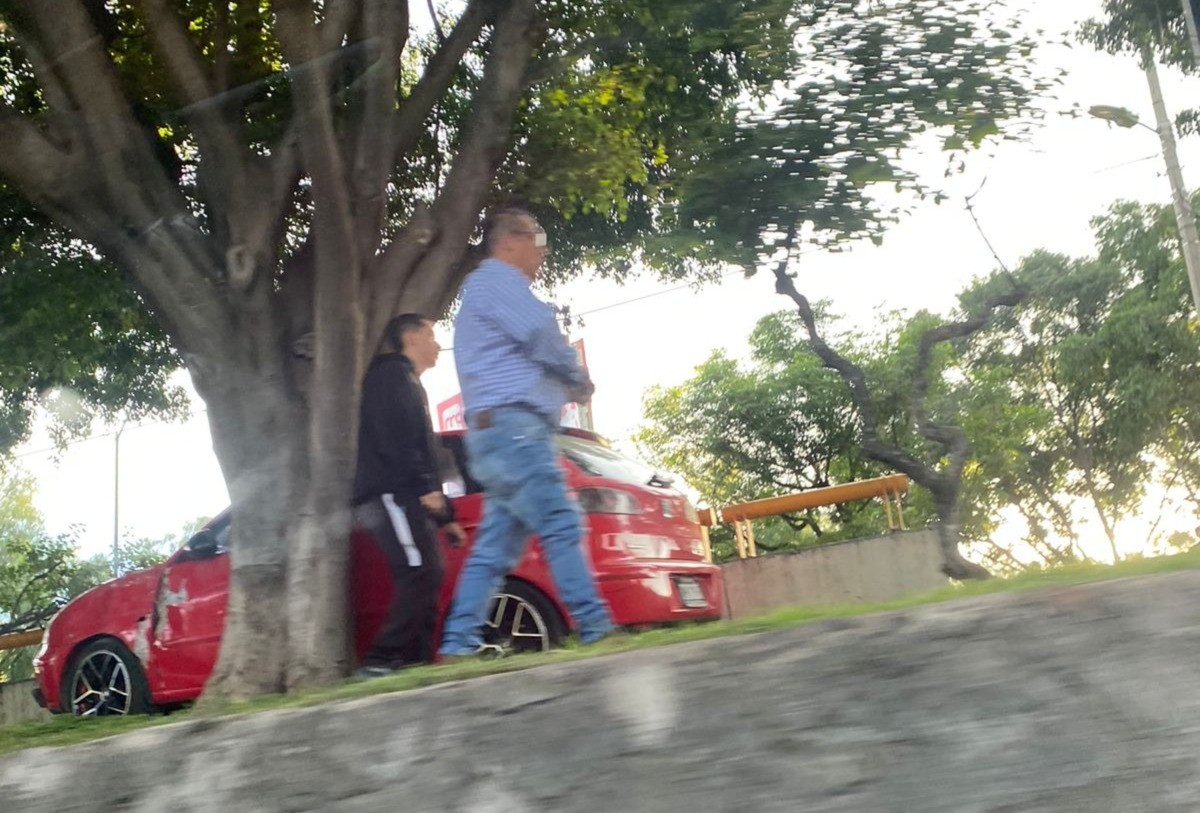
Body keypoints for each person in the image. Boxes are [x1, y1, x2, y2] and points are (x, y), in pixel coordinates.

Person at [438, 207, 616, 660]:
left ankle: (458, 643)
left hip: (495, 435)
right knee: (559, 522)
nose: (542, 257)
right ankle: (595, 626)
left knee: (493, 551)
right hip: (516, 430)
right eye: (539, 245)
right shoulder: (496, 279)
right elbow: (540, 332)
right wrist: (576, 377)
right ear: (512, 240)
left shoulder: (482, 287)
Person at [353, 313, 465, 678]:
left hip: (407, 495)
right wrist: (425, 490)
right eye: (431, 334)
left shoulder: (409, 382)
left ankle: (416, 665)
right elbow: (398, 441)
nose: (437, 343)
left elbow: (422, 450)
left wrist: (445, 517)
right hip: (389, 494)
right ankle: (380, 662)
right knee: (420, 571)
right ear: (411, 338)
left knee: (430, 571)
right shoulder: (391, 377)